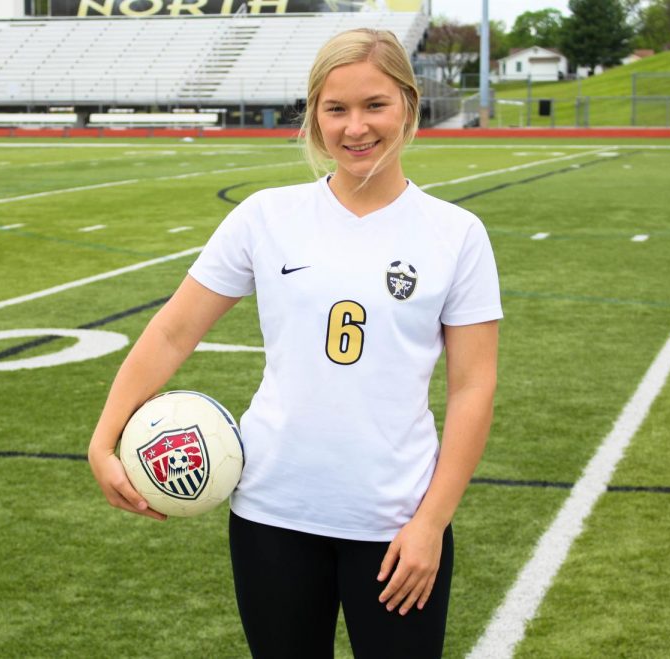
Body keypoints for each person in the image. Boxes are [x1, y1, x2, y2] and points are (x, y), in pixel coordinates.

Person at [88, 28, 501, 659]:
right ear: (313, 115)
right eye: (335, 109)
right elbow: (173, 331)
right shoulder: (265, 217)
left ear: (409, 106)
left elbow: (473, 386)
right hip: (271, 517)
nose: (355, 127)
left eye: (375, 105)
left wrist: (431, 523)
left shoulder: (456, 234)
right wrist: (103, 438)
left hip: (395, 527)